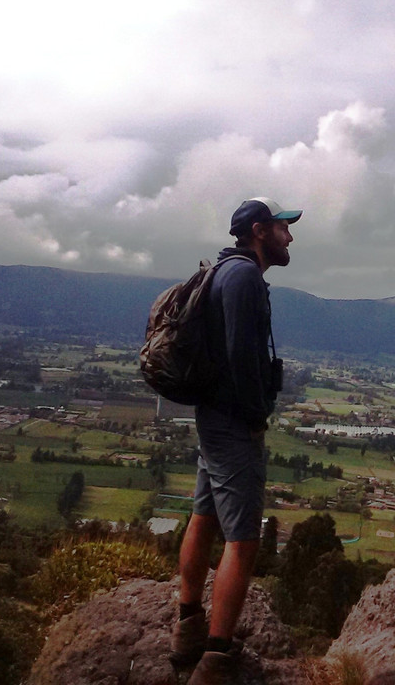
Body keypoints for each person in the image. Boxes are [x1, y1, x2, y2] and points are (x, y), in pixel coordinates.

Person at [171, 196, 301, 685]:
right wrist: (255, 416)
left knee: (203, 515)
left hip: (212, 417)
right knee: (243, 540)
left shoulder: (223, 271)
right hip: (233, 423)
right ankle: (216, 658)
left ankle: (188, 626)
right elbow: (242, 358)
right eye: (283, 228)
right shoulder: (244, 276)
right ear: (259, 230)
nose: (290, 237)